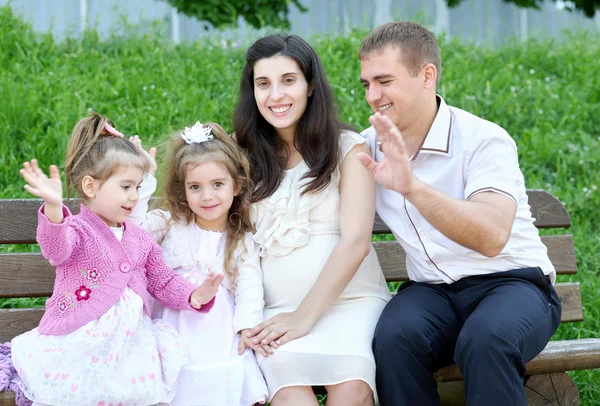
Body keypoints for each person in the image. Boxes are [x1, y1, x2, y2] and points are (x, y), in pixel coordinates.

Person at [357, 21, 561, 405]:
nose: (373, 95)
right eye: (366, 84)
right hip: (432, 292)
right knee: (393, 338)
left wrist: (412, 187)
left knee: (486, 340)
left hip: (512, 284)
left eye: (384, 81)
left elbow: (491, 236)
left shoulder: (483, 140)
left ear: (427, 75)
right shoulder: (368, 147)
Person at [6, 114, 223, 406]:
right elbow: (56, 249)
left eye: (137, 187)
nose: (134, 197)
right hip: (81, 341)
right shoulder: (78, 231)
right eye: (125, 187)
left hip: (130, 345)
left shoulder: (140, 238)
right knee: (78, 391)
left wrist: (194, 295)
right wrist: (55, 208)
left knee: (135, 392)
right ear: (91, 187)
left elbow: (162, 280)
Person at [233, 34, 392, 406]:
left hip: (351, 303)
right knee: (290, 397)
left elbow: (356, 242)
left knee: (350, 389)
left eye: (288, 80)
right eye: (263, 83)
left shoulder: (347, 149)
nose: (276, 95)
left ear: (309, 86)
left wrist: (303, 317)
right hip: (273, 312)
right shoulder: (240, 156)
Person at [128, 121, 268, 406]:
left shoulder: (240, 239)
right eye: (195, 187)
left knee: (216, 386)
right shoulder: (171, 222)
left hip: (217, 327)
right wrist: (144, 181)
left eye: (218, 184)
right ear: (184, 190)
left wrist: (247, 326)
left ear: (236, 185)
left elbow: (249, 285)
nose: (207, 196)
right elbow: (135, 230)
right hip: (171, 322)